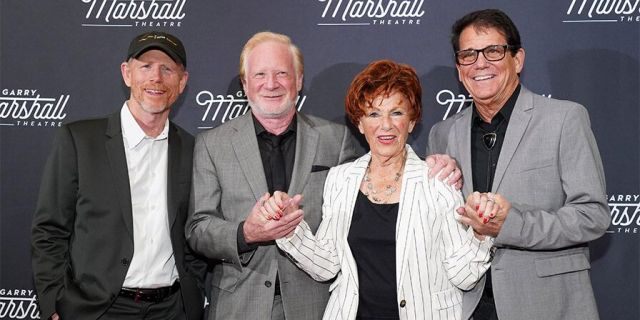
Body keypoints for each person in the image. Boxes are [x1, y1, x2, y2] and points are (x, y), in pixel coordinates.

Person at [185, 32, 461, 319]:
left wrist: (441, 165)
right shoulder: (212, 144)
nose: (271, 84)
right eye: (260, 74)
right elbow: (198, 228)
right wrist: (246, 233)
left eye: (282, 73)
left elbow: (382, 178)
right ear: (245, 83)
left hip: (313, 305)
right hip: (240, 305)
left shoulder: (336, 139)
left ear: (299, 80)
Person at [269, 59, 492, 320]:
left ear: (411, 122)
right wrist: (289, 229)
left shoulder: (438, 181)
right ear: (360, 123)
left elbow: (463, 276)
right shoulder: (340, 180)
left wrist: (480, 234)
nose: (385, 125)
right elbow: (327, 264)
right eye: (374, 114)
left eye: (396, 113)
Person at [427, 9, 610, 320]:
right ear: (459, 69)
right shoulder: (442, 134)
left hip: (547, 305)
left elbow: (592, 215)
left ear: (517, 59)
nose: (480, 63)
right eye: (468, 55)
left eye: (493, 51)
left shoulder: (564, 119)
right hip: (467, 307)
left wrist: (511, 225)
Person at [31, 31, 205, 320]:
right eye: (145, 67)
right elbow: (50, 230)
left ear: (182, 81)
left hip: (172, 310)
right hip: (97, 310)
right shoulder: (79, 140)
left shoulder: (194, 149)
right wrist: (53, 303)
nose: (156, 78)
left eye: (167, 69)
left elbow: (197, 232)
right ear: (127, 73)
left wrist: (193, 292)